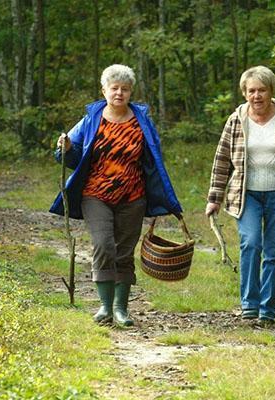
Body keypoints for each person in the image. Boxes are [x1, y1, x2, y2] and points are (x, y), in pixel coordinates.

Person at [49, 64, 183, 327]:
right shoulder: (91, 120)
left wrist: (161, 195)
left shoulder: (141, 121)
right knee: (103, 245)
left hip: (133, 196)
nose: (119, 93)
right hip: (95, 194)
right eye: (114, 88)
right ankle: (104, 306)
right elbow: (67, 156)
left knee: (123, 251)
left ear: (131, 91)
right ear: (104, 90)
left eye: (124, 89)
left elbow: (154, 159)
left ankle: (121, 309)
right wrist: (64, 147)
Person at [205, 66, 275, 323]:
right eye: (251, 91)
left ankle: (267, 309)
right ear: (245, 93)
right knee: (251, 243)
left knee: (274, 252)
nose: (256, 96)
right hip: (246, 195)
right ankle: (249, 304)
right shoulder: (236, 120)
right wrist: (214, 197)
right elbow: (222, 159)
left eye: (261, 90)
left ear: (271, 91)